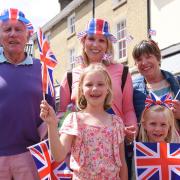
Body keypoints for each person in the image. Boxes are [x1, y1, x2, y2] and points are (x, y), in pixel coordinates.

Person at [40, 64, 128, 180]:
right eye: (89, 84)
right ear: (81, 89)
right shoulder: (74, 120)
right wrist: (51, 124)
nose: (95, 89)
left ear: (108, 88)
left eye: (100, 84)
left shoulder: (117, 122)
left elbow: (122, 163)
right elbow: (59, 155)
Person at [59, 18, 137, 142]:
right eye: (91, 39)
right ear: (84, 42)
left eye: (101, 40)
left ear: (107, 46)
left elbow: (128, 109)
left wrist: (131, 130)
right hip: (81, 145)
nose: (95, 44)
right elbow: (63, 113)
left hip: (116, 143)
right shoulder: (69, 76)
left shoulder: (123, 72)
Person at [0, 8, 54, 180]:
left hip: (31, 156)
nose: (13, 34)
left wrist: (42, 136)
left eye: (18, 29)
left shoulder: (42, 68)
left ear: (28, 35)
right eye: (7, 29)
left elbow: (51, 107)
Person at [133, 40, 180, 132]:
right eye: (139, 59)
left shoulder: (178, 83)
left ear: (158, 58)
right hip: (148, 145)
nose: (144, 62)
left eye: (148, 57)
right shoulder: (132, 89)